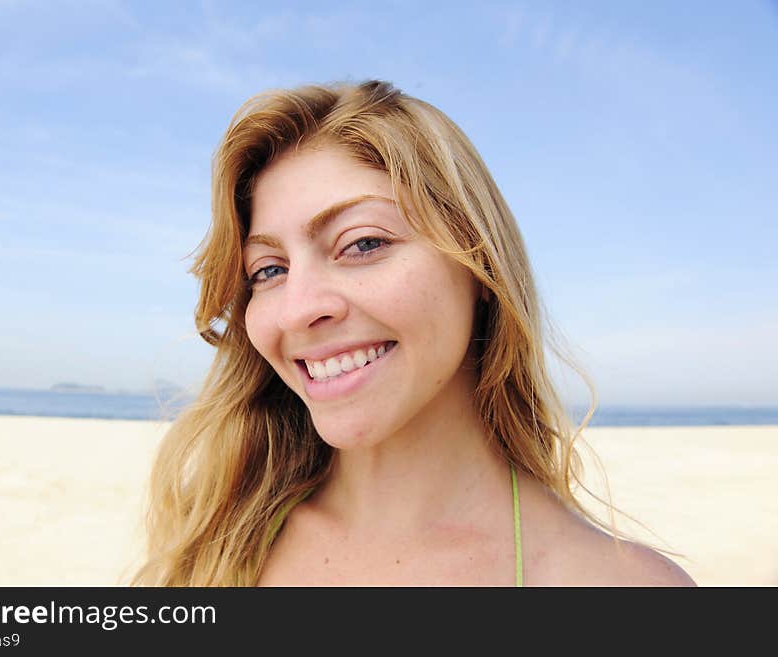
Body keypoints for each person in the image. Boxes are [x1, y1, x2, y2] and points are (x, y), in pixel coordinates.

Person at [133, 80, 695, 587]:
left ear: (479, 267)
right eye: (269, 271)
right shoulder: (213, 547)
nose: (297, 309)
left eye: (363, 244)